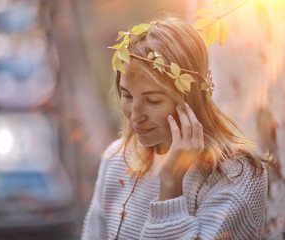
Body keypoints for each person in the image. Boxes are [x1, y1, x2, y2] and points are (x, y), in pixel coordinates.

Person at [81, 14, 271, 240]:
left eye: (153, 101)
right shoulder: (116, 158)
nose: (135, 115)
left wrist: (171, 185)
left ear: (189, 99)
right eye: (127, 95)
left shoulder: (238, 176)